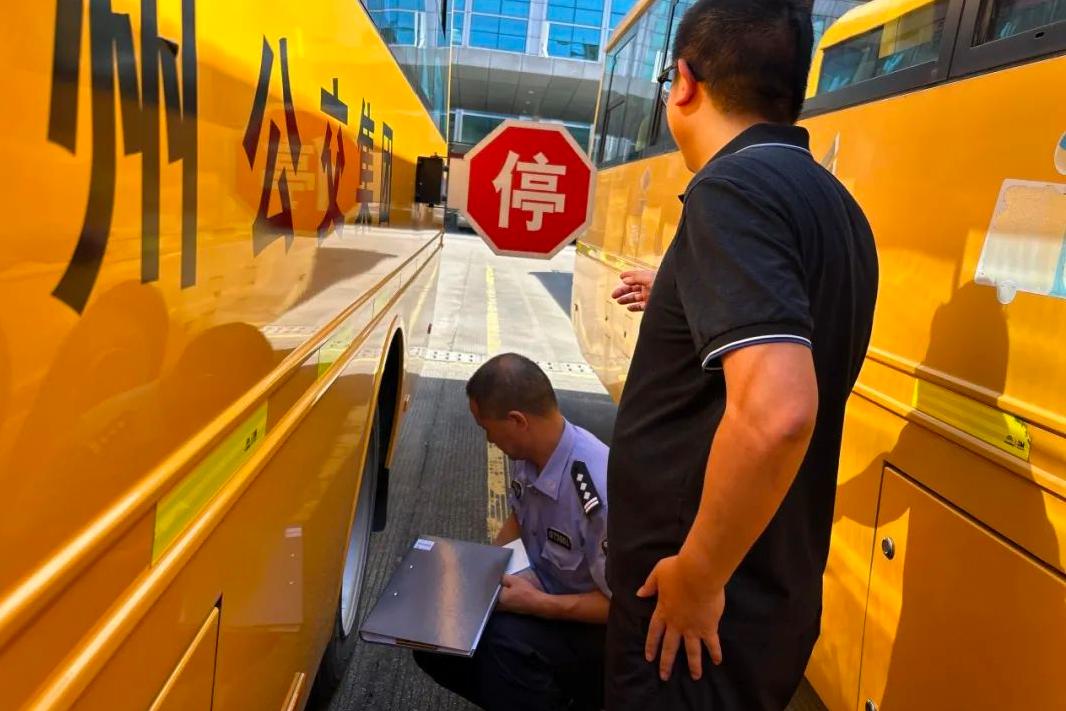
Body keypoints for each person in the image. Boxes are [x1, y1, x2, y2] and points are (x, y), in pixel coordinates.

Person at [604, 1, 879, 710]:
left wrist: (697, 574)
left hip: (695, 623)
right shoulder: (837, 207)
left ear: (683, 83)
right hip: (769, 593)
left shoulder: (731, 189)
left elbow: (778, 411)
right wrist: (677, 288)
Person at [414, 353, 611, 711]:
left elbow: (623, 607)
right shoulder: (530, 453)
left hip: (593, 630)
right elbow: (520, 518)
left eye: (487, 429)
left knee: (501, 645)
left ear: (517, 421)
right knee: (433, 636)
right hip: (544, 593)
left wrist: (538, 605)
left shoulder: (597, 490)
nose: (490, 441)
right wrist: (476, 575)